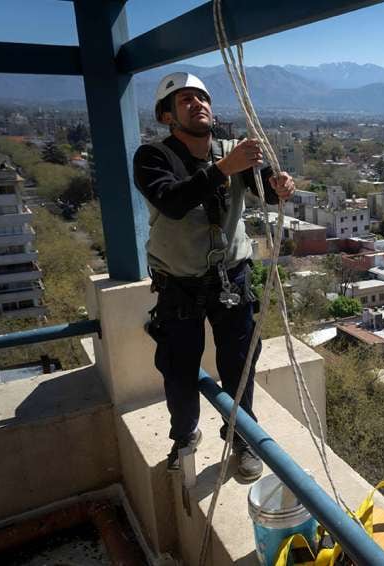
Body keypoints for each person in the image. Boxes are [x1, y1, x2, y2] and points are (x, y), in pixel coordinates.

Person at [132, 72, 294, 480]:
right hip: (179, 283)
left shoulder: (229, 153)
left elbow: (264, 190)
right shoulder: (153, 157)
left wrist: (279, 186)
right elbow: (172, 201)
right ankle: (184, 435)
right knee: (179, 368)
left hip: (231, 277)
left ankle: (243, 439)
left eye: (201, 97)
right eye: (184, 100)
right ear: (168, 116)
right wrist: (225, 168)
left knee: (240, 365)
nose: (197, 104)